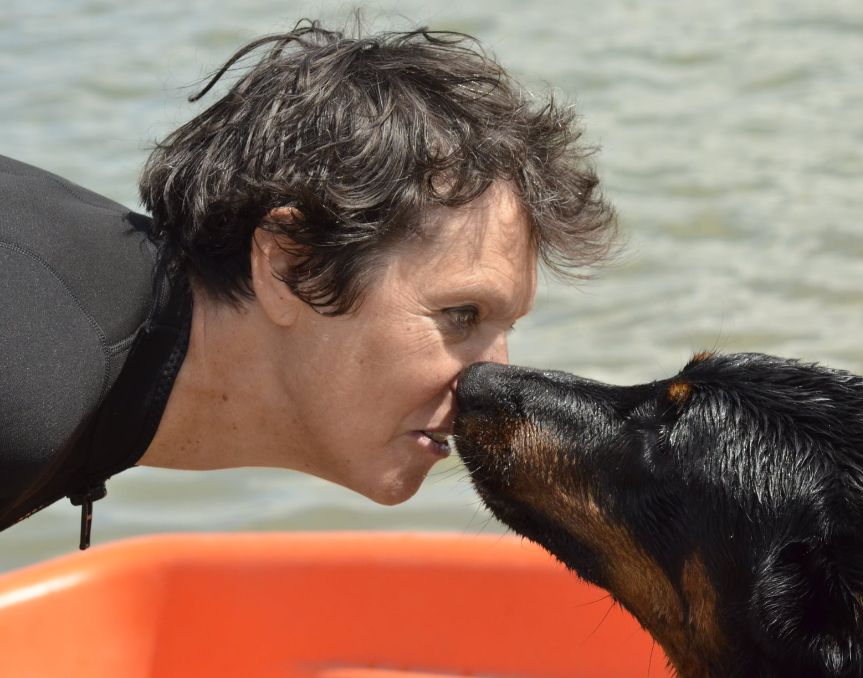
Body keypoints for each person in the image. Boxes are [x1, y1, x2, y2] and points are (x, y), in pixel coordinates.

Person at [0, 20, 616, 550]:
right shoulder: (27, 373)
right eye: (462, 314)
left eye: (507, 328)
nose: (494, 379)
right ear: (289, 266)